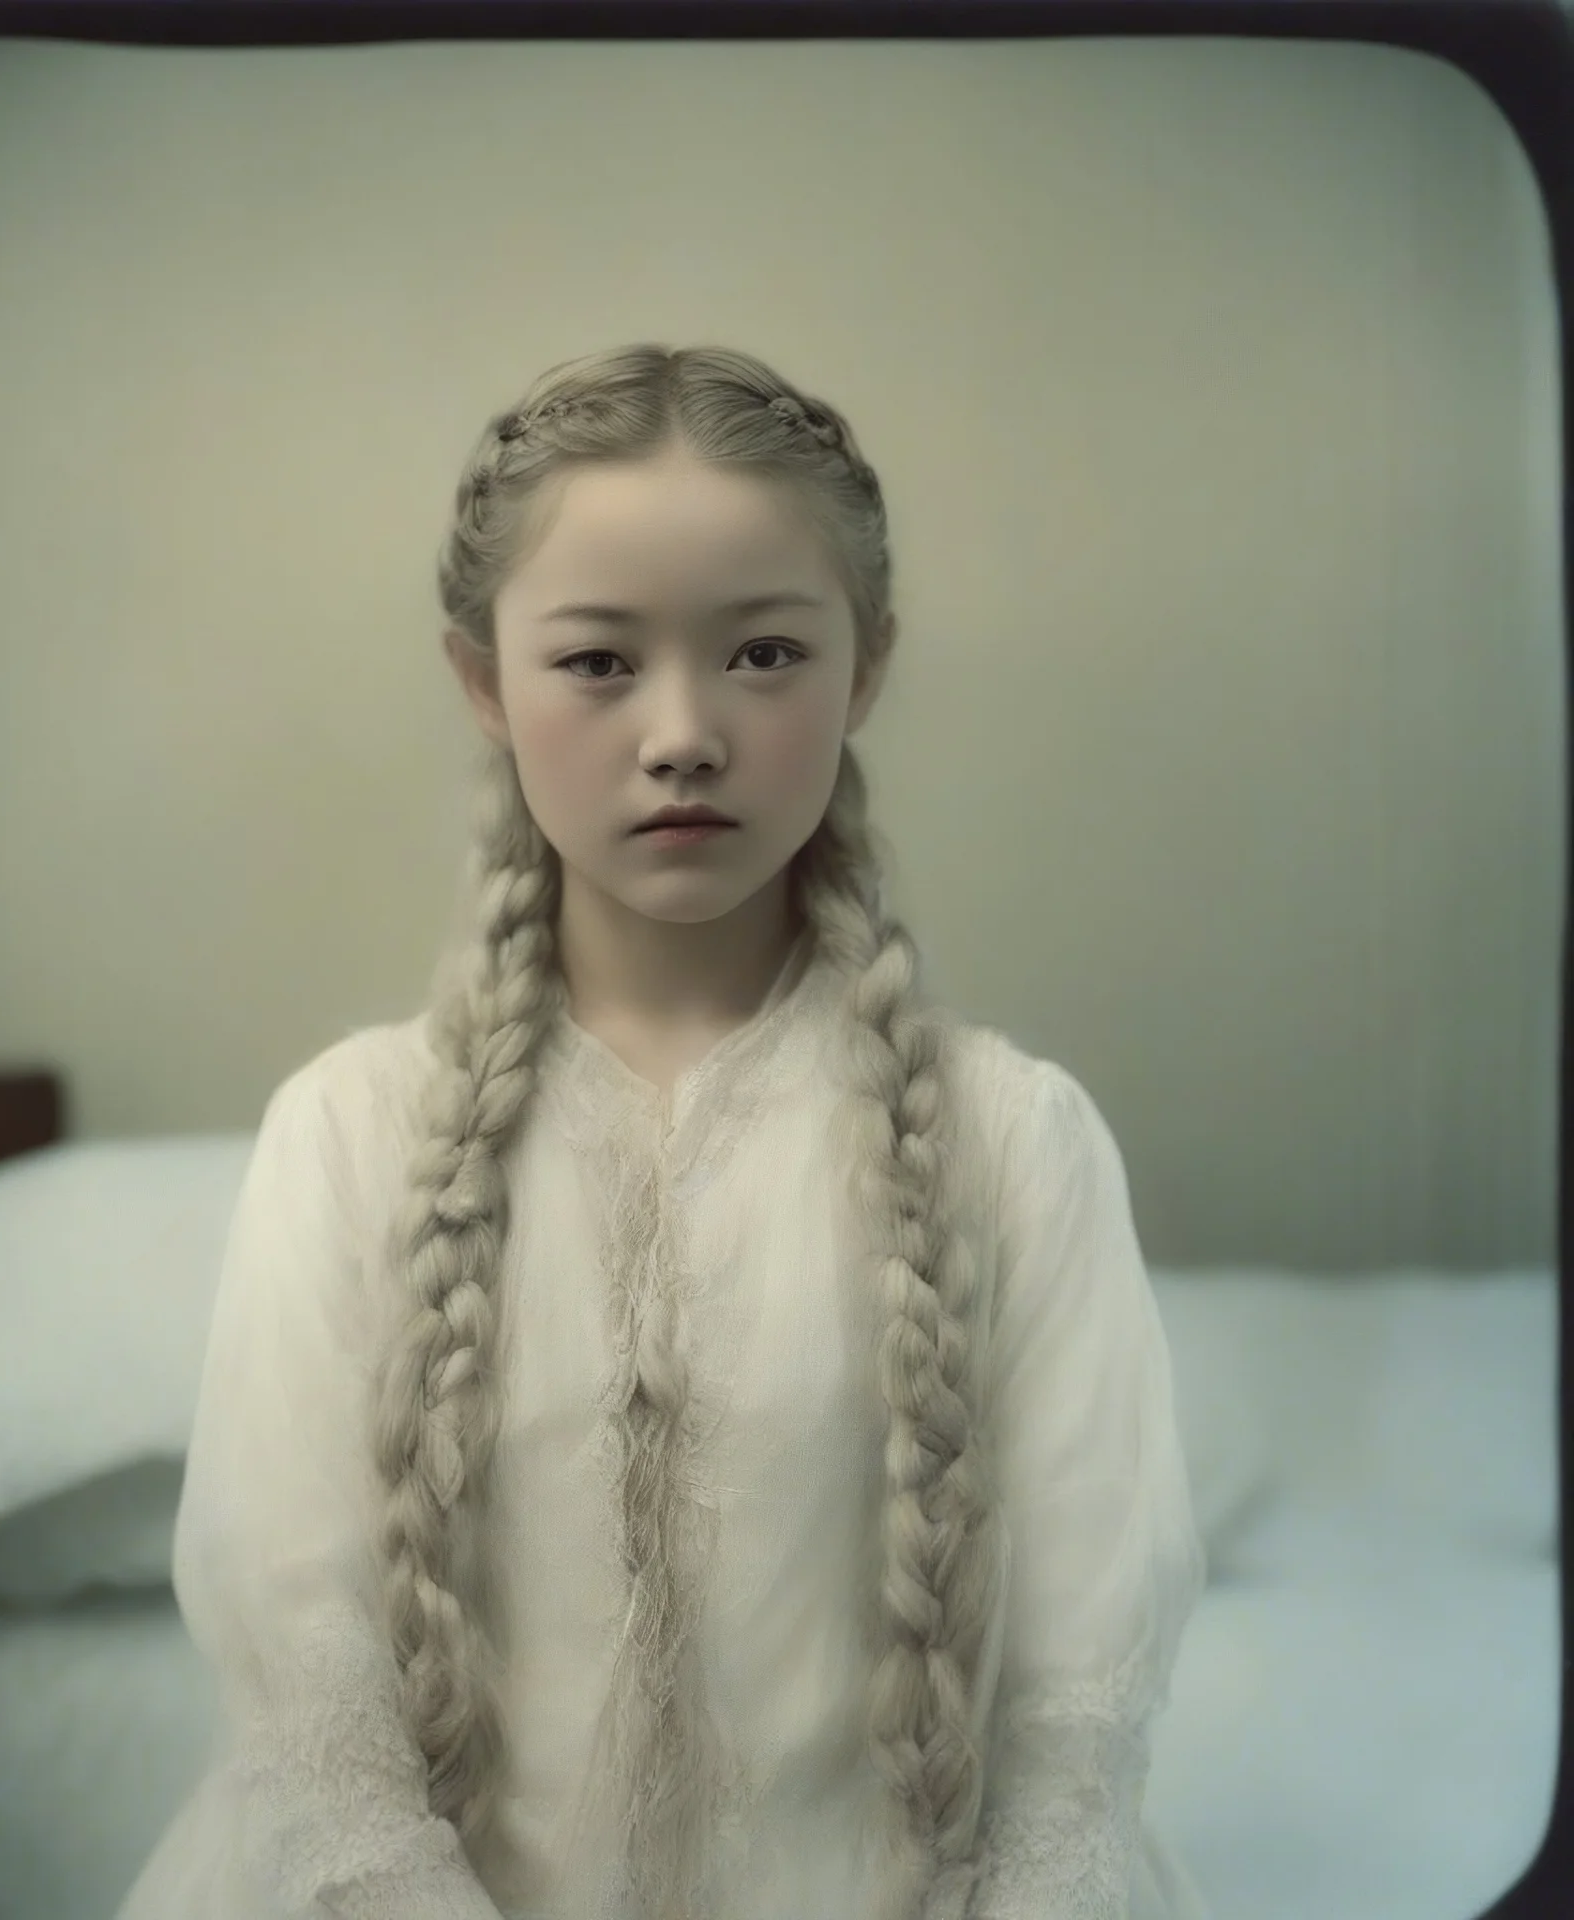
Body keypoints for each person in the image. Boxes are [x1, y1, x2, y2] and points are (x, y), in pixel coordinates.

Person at [116, 344, 1210, 1920]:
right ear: (483, 681)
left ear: (869, 667)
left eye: (765, 655)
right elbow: (315, 1715)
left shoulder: (1018, 1144)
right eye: (599, 662)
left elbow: (1073, 1729)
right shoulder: (347, 1138)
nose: (685, 731)